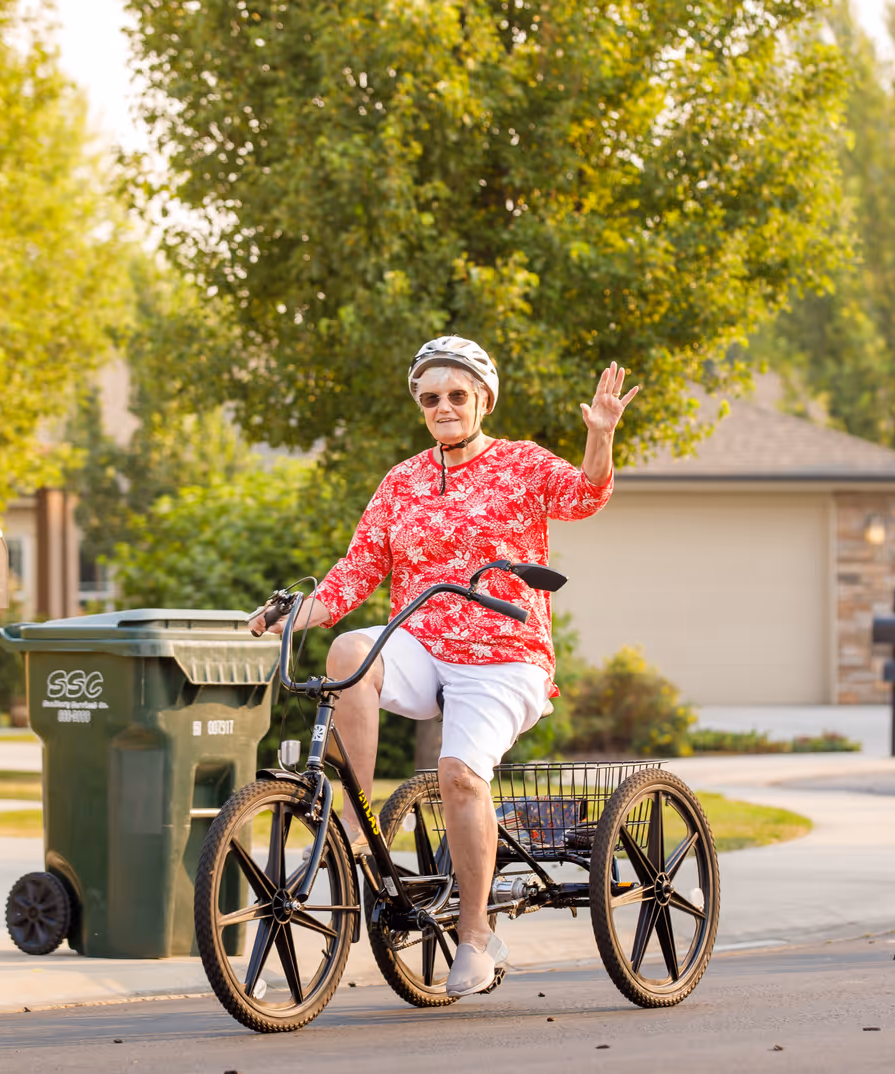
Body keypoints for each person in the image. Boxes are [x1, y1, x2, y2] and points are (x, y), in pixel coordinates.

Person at [250, 336, 638, 997]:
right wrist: (294, 614)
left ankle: (478, 934)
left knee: (459, 774)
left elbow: (585, 495)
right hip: (423, 644)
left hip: (504, 655)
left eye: (457, 395)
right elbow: (357, 572)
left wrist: (599, 437)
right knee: (347, 652)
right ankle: (353, 826)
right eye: (430, 398)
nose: (444, 406)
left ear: (483, 399)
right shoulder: (402, 481)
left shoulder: (519, 464)